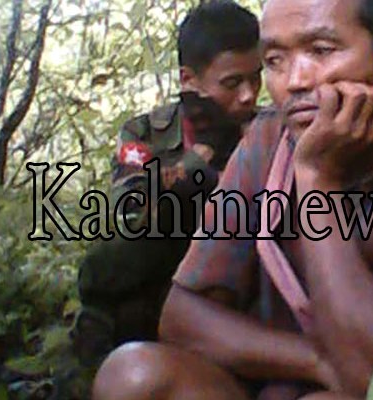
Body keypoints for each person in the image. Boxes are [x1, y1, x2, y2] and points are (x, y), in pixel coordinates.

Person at [92, 0, 373, 399]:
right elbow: (183, 316)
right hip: (284, 379)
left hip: (372, 389)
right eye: (274, 60)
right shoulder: (266, 138)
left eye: (322, 49)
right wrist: (316, 360)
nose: (295, 80)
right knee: (131, 374)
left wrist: (316, 181)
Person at [73, 0, 261, 368]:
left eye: (256, 77)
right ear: (189, 80)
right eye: (232, 82)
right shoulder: (143, 132)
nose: (249, 95)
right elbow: (131, 210)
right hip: (162, 272)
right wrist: (198, 162)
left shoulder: (265, 131)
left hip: (237, 282)